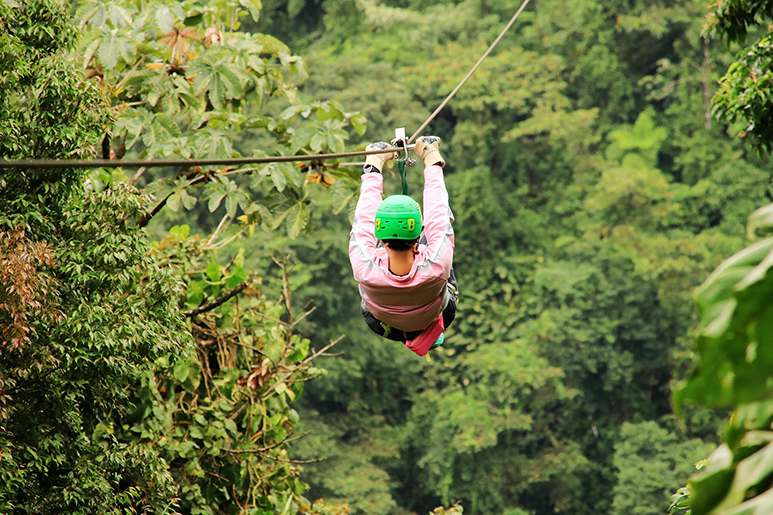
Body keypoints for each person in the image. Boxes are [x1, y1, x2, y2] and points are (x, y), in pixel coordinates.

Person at [349, 136, 458, 357]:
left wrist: (374, 164)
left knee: (368, 240)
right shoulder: (436, 264)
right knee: (439, 240)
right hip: (437, 314)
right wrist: (431, 159)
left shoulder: (365, 265)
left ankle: (414, 330)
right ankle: (426, 330)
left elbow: (365, 218)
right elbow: (439, 217)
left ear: (380, 236)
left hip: (384, 325)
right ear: (418, 235)